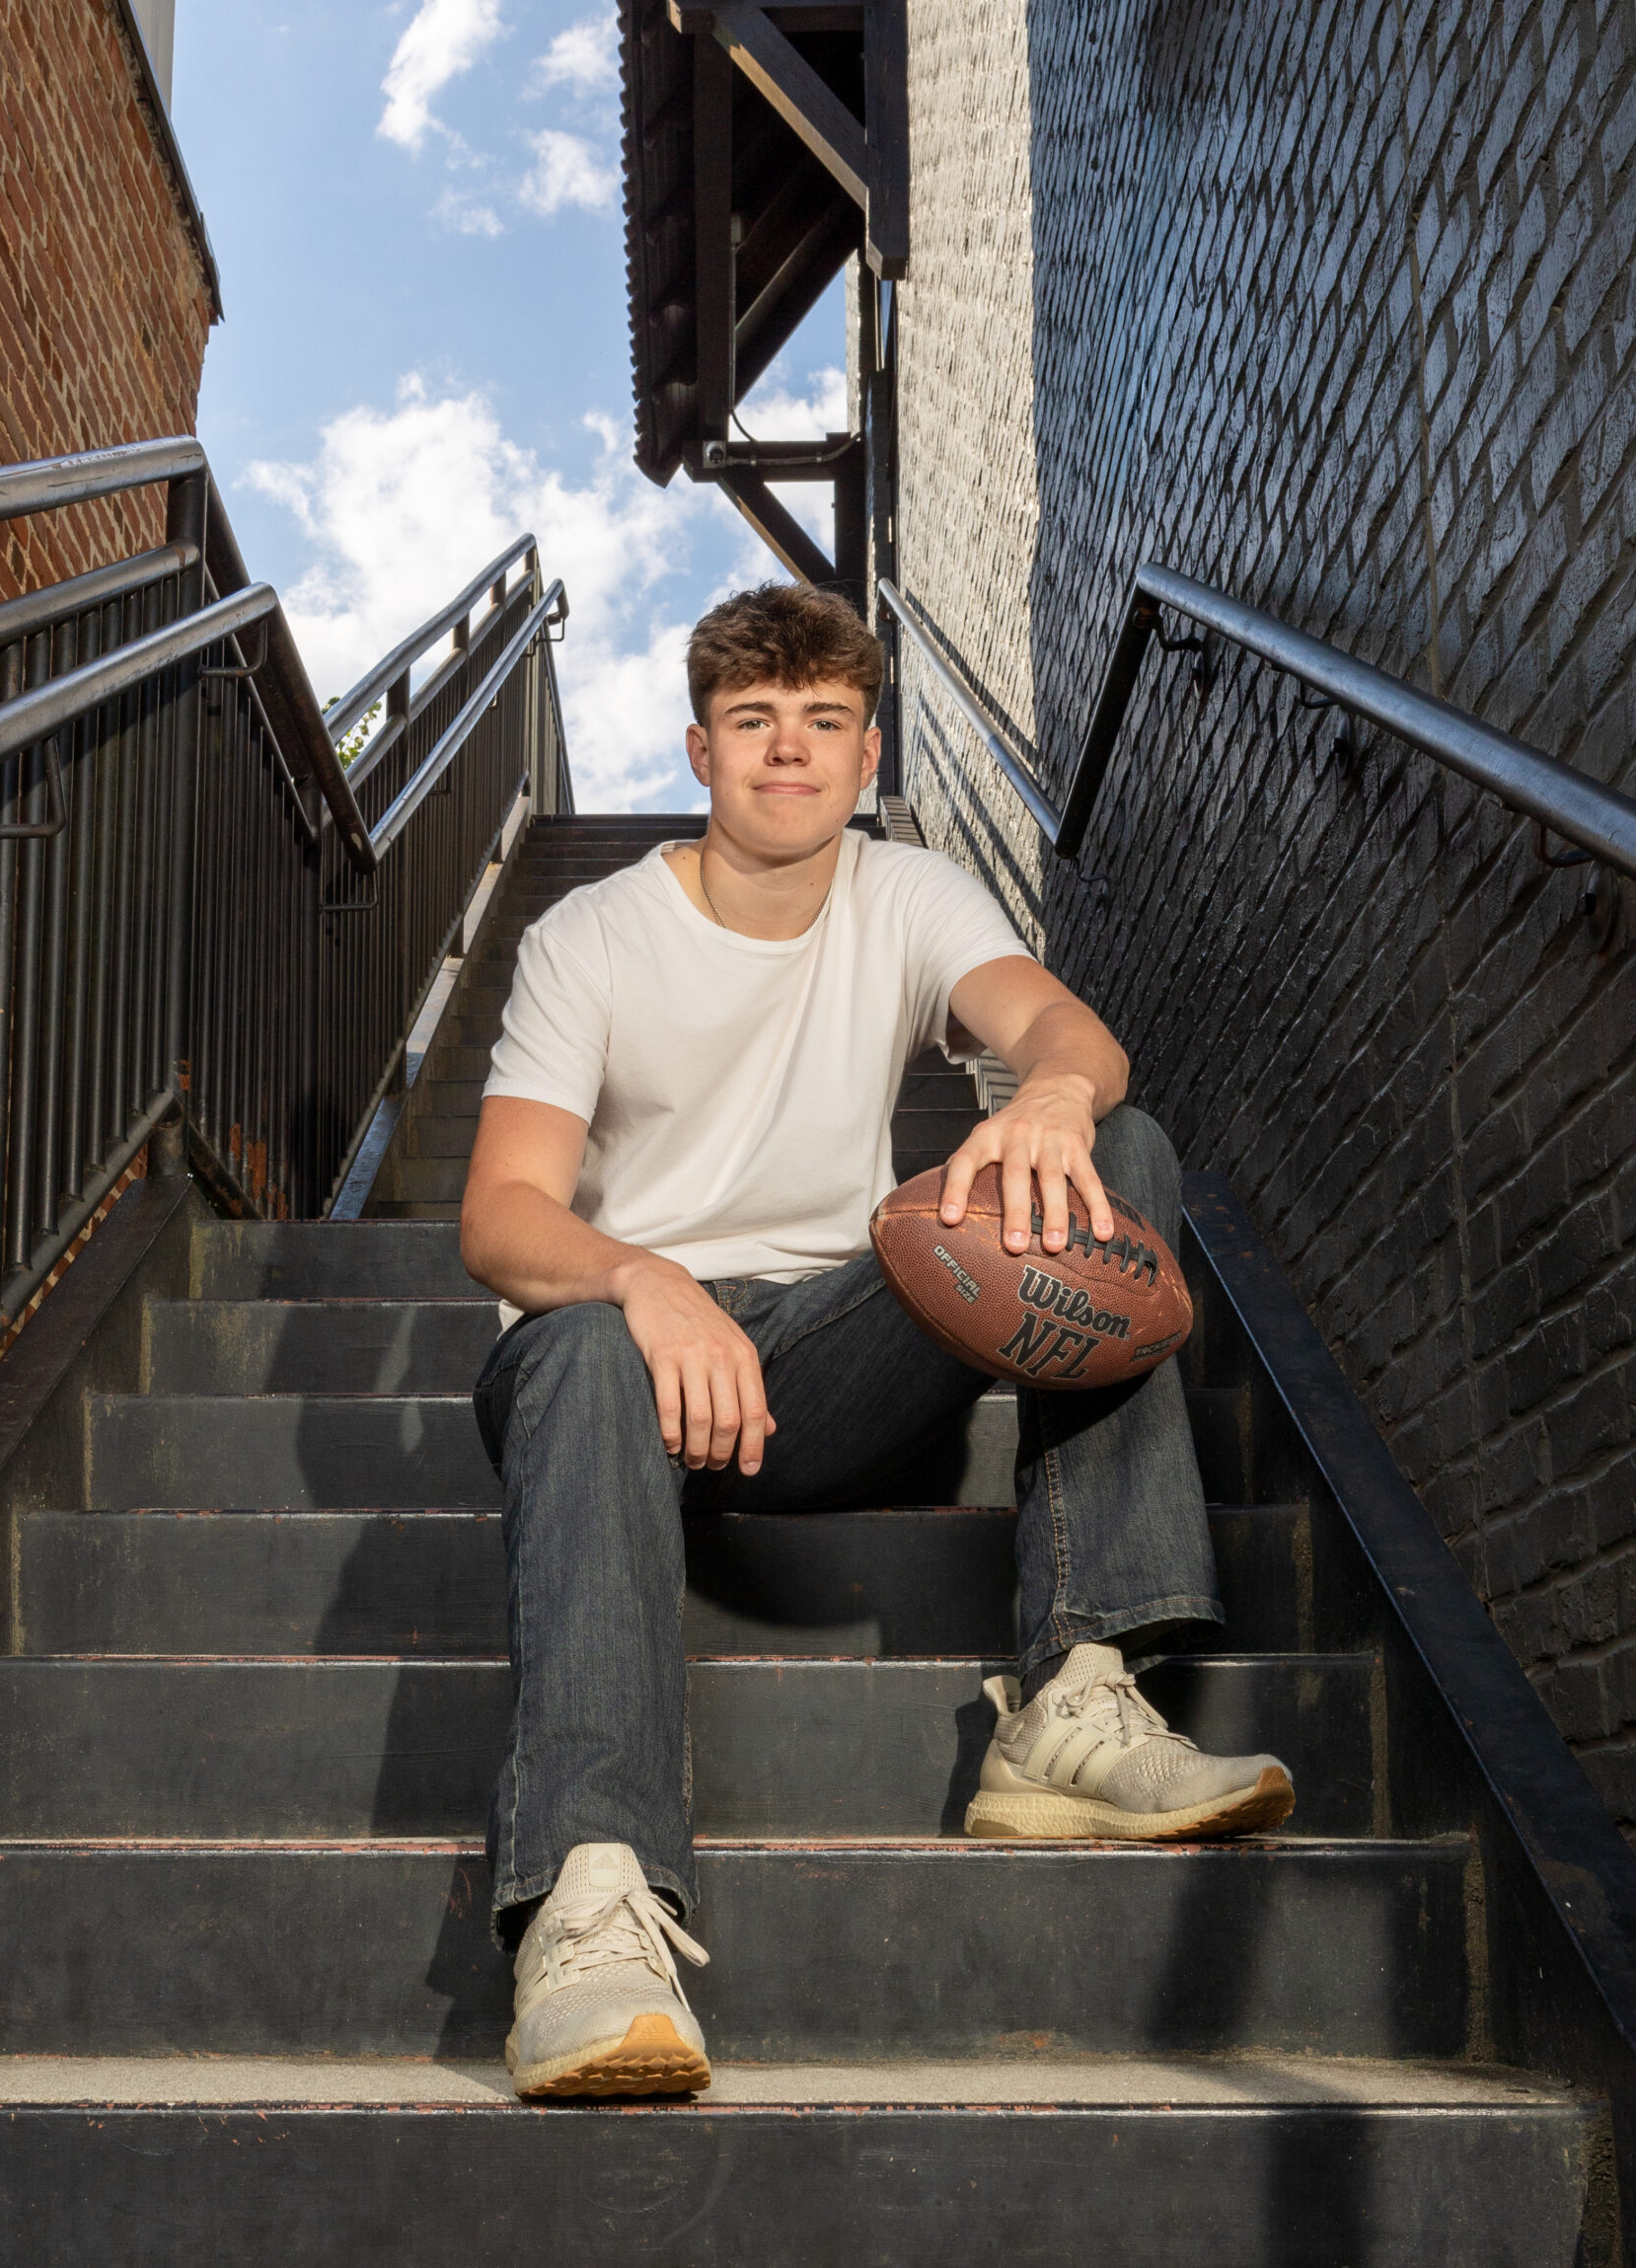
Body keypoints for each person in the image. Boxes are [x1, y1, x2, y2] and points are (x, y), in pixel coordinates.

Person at [461, 583, 1294, 2101]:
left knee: (1122, 1148)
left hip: (833, 1363)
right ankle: (592, 1902)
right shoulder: (591, 934)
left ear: (866, 752)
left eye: (824, 723)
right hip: (628, 1382)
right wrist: (646, 1281)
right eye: (756, 722)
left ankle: (1077, 1687)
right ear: (703, 749)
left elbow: (1064, 1030)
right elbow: (503, 1217)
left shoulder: (907, 895)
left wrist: (1049, 1095)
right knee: (574, 1344)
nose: (791, 751)